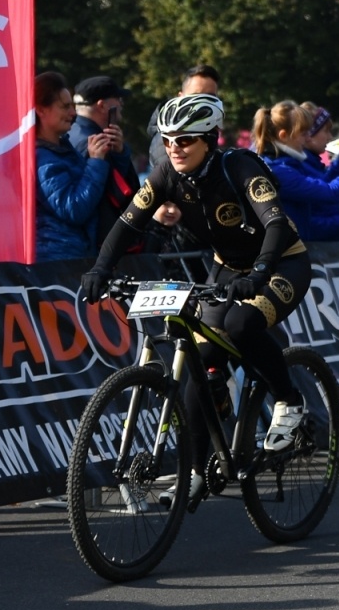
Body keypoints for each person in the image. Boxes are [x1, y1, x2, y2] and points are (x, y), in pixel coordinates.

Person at [79, 94, 312, 500]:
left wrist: (258, 273)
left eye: (185, 140)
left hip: (280, 263)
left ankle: (290, 401)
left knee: (240, 323)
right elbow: (126, 224)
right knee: (201, 361)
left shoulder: (238, 166)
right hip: (226, 267)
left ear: (210, 139)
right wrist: (101, 269)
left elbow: (274, 223)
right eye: (168, 140)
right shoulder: (166, 173)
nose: (174, 148)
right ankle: (195, 474)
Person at [255, 100, 339, 242]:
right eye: (303, 134)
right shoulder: (278, 172)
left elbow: (323, 185)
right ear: (283, 136)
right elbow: (333, 192)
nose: (307, 139)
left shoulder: (282, 165)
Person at [35, 73, 113, 262]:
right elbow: (74, 209)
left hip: (75, 255)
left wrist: (118, 154)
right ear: (41, 110)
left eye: (72, 106)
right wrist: (96, 161)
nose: (73, 113)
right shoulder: (42, 159)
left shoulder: (63, 149)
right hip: (58, 263)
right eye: (65, 106)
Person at [68, 75, 139, 246]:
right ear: (102, 105)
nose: (121, 104)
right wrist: (120, 155)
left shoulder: (69, 133)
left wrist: (120, 152)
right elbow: (119, 191)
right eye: (118, 99)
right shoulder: (95, 142)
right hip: (96, 238)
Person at [147, 65, 222, 170]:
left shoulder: (207, 128)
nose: (203, 104)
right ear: (180, 97)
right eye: (196, 97)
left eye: (210, 98)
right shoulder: (166, 135)